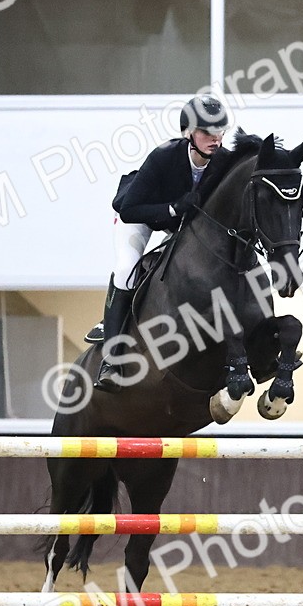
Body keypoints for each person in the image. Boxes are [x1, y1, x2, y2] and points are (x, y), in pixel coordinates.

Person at [86, 94, 230, 392]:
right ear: (188, 133)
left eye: (219, 133)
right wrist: (173, 209)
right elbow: (129, 210)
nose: (215, 140)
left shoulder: (222, 162)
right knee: (127, 268)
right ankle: (111, 358)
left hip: (176, 223)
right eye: (206, 133)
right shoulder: (163, 156)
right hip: (139, 215)